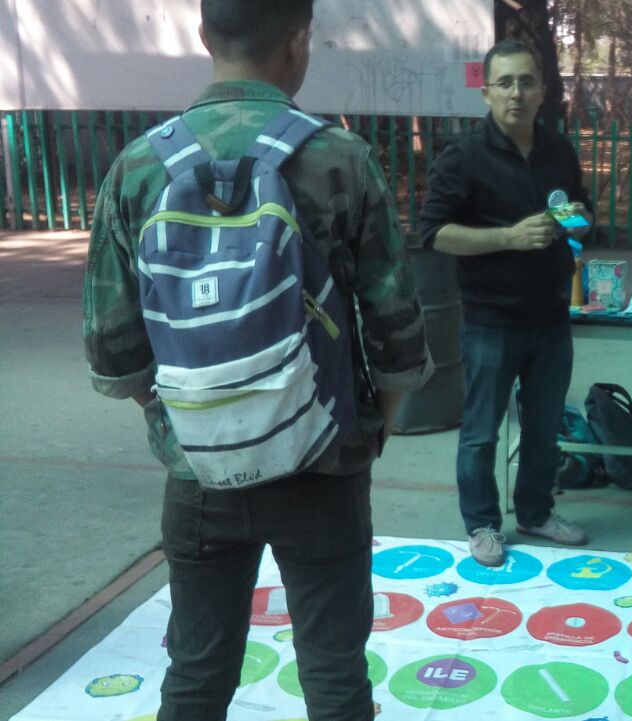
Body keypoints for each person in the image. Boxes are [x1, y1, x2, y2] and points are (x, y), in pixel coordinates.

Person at [81, 2, 433, 719]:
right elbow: (397, 331)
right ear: (299, 42)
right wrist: (376, 428)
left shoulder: (139, 166)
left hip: (199, 473)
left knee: (198, 673)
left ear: (204, 36)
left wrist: (189, 413)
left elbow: (113, 350)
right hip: (324, 464)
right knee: (334, 675)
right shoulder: (342, 160)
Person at [418, 39, 595, 567]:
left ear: (542, 91)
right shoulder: (464, 156)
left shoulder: (558, 151)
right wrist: (509, 238)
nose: (516, 93)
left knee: (544, 428)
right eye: (505, 83)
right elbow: (433, 233)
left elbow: (582, 219)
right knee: (480, 432)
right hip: (491, 319)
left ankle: (537, 513)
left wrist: (579, 223)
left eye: (526, 82)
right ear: (487, 90)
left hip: (550, 316)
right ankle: (482, 524)